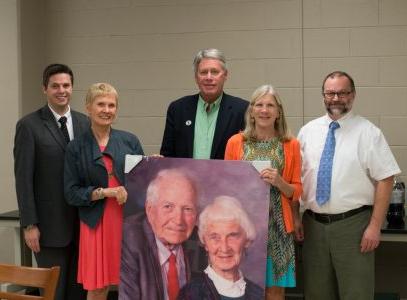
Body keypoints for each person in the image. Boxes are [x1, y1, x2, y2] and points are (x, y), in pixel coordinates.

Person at [297, 71, 401, 299]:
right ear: (323, 96)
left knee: (356, 293)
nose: (336, 98)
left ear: (352, 95)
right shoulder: (307, 132)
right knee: (316, 293)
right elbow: (296, 179)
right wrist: (297, 217)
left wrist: (374, 226)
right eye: (330, 93)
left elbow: (386, 178)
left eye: (342, 93)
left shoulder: (369, 133)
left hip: (353, 226)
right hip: (313, 225)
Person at [14, 63, 89, 300]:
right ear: (44, 89)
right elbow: (23, 178)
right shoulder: (29, 125)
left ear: (72, 88)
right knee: (54, 293)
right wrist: (29, 224)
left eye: (66, 85)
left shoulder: (85, 123)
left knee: (78, 292)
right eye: (55, 86)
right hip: (48, 229)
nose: (61, 90)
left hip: (82, 227)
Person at [64, 83, 144, 300]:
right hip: (95, 223)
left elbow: (142, 184)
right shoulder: (76, 147)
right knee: (98, 287)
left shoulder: (130, 141)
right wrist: (104, 193)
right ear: (88, 107)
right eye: (101, 104)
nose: (106, 110)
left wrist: (154, 167)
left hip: (127, 222)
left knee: (132, 285)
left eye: (111, 105)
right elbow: (71, 193)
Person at [225, 84, 303, 300]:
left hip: (278, 228)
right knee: (241, 289)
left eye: (270, 105)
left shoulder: (291, 144)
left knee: (275, 291)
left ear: (278, 112)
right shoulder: (235, 142)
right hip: (242, 228)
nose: (264, 110)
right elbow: (226, 186)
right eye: (259, 104)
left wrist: (279, 181)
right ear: (251, 111)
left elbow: (296, 190)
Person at [119, 168, 199, 300]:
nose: (178, 220)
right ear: (150, 210)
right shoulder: (130, 239)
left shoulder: (205, 243)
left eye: (187, 209)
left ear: (196, 215)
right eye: (168, 206)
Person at [160, 48, 248, 159]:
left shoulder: (242, 110)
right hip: (184, 176)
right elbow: (167, 156)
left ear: (225, 75)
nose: (209, 77)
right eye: (203, 72)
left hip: (224, 176)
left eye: (215, 72)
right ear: (196, 77)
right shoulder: (178, 109)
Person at [178, 196, 264, 300]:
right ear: (205, 243)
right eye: (215, 237)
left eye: (232, 236)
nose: (224, 248)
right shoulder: (190, 294)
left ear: (246, 240)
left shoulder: (259, 294)